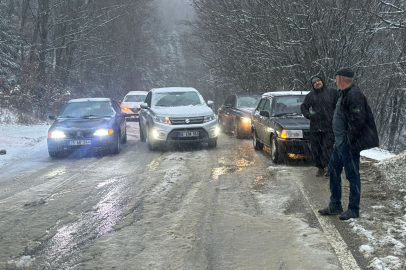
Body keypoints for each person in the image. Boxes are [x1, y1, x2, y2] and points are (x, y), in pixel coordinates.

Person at [318, 68, 379, 220]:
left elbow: (358, 120)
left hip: (348, 144)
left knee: (352, 175)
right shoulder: (344, 93)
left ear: (340, 78)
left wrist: (348, 139)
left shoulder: (354, 94)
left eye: (336, 78)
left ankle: (353, 209)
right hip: (340, 144)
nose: (335, 81)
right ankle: (335, 205)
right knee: (332, 170)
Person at [301, 75, 339, 177]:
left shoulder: (332, 92)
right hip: (315, 127)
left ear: (322, 81)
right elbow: (304, 107)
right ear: (313, 85)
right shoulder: (310, 96)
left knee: (328, 148)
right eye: (314, 83)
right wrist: (308, 115)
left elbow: (340, 104)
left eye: (318, 81)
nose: (317, 83)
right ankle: (320, 168)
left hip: (329, 126)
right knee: (316, 149)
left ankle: (328, 168)